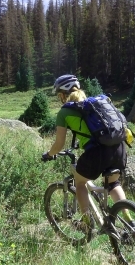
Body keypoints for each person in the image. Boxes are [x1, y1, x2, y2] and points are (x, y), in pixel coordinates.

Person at [42, 74, 128, 227]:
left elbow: (59, 144)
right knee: (113, 184)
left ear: (62, 95)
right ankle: (131, 222)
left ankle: (87, 224)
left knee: (80, 183)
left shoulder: (65, 112)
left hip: (97, 153)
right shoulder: (98, 103)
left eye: (58, 95)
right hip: (119, 147)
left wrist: (49, 154)